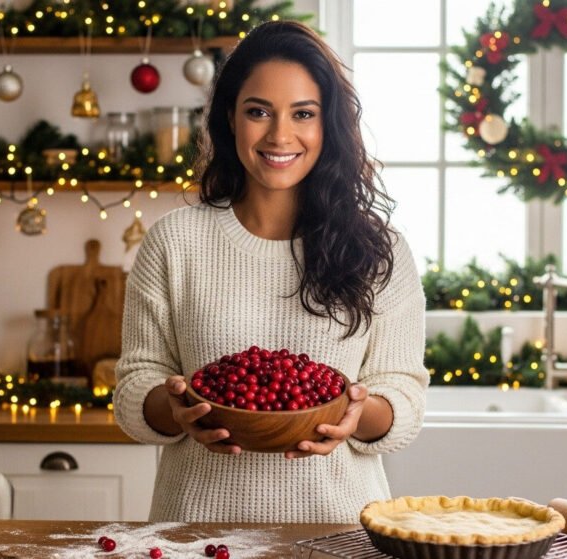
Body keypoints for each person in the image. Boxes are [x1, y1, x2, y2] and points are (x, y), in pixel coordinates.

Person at [113, 20, 428, 523]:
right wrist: (173, 409)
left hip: (339, 531)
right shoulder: (174, 242)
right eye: (258, 111)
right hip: (196, 529)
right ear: (230, 121)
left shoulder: (380, 250)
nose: (280, 135)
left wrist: (350, 416)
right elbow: (136, 384)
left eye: (303, 113)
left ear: (329, 126)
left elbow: (403, 396)